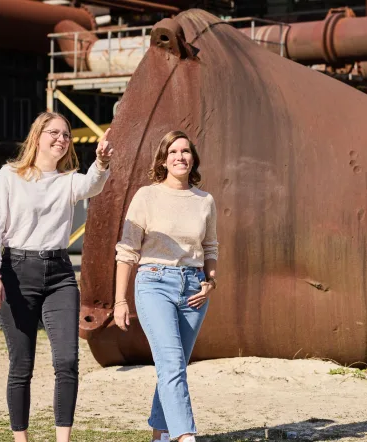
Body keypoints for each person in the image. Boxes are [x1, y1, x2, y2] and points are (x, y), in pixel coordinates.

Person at [0, 112, 113, 442]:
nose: (61, 139)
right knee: (21, 364)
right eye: (54, 132)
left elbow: (93, 185)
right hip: (15, 274)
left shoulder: (69, 181)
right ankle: (21, 440)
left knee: (67, 360)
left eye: (66, 135)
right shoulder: (10, 176)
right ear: (37, 136)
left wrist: (100, 162)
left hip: (59, 276)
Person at [113, 130, 218, 442]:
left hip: (194, 290)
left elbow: (210, 248)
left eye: (185, 151)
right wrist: (120, 301)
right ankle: (185, 436)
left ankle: (160, 435)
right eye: (173, 152)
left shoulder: (205, 201)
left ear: (193, 158)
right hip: (154, 283)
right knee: (171, 363)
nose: (180, 157)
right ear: (163, 159)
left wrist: (211, 282)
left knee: (175, 366)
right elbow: (127, 251)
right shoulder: (147, 196)